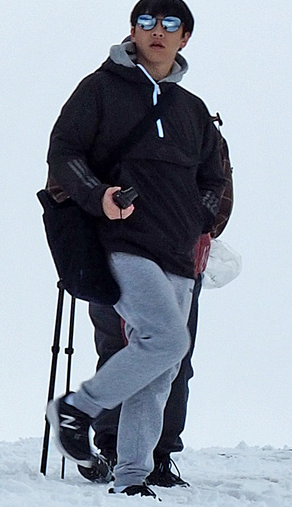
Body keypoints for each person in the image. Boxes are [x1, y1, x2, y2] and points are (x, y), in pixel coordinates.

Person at [45, 0, 228, 498]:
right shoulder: (100, 89)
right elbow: (63, 151)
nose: (157, 30)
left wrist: (201, 220)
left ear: (184, 36)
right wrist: (97, 195)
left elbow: (215, 176)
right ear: (132, 30)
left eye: (170, 23)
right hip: (121, 242)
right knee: (166, 340)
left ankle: (132, 477)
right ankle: (76, 410)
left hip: (178, 252)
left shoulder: (191, 110)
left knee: (163, 365)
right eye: (146, 20)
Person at [80, 134, 230, 487]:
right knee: (142, 350)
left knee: (167, 356)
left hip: (175, 258)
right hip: (126, 253)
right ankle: (125, 450)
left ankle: (146, 454)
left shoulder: (197, 125)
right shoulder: (107, 115)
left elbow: (218, 195)